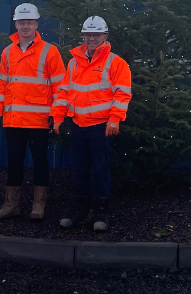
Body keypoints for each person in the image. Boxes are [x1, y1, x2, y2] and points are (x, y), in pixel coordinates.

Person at [52, 16, 131, 232]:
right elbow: (63, 92)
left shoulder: (115, 62)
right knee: (79, 170)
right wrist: (58, 116)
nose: (92, 38)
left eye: (96, 35)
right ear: (83, 36)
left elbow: (122, 95)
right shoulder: (74, 61)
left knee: (100, 170)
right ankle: (81, 211)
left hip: (101, 127)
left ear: (105, 36)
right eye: (88, 35)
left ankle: (102, 213)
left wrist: (114, 120)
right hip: (78, 125)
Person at [0, 3, 66, 221]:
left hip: (40, 120)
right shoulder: (8, 52)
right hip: (13, 120)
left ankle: (38, 206)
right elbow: (2, 85)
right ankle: (11, 205)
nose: (25, 26)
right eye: (22, 22)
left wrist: (56, 113)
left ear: (36, 24)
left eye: (29, 22)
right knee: (14, 161)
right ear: (16, 24)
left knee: (40, 162)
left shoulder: (49, 51)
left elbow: (60, 86)